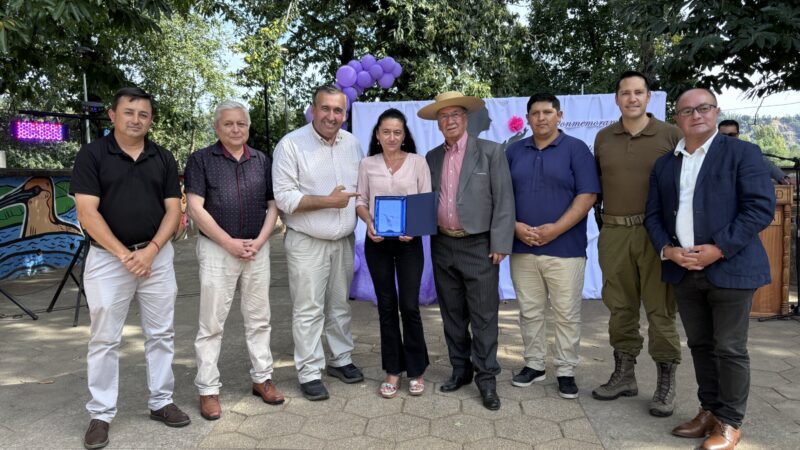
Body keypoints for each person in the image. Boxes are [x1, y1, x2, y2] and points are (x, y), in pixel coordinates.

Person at [645, 88, 775, 450]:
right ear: (677, 119)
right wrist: (667, 250)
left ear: (716, 112)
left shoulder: (742, 153)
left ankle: (731, 422)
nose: (696, 115)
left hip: (730, 267)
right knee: (701, 345)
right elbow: (653, 216)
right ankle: (709, 411)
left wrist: (718, 249)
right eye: (687, 111)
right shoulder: (666, 163)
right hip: (683, 269)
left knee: (730, 347)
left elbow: (759, 208)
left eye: (703, 108)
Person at [71, 87, 188, 450]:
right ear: (113, 115)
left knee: (161, 333)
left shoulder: (162, 156)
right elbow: (87, 213)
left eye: (143, 114)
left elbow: (173, 210)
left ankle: (160, 401)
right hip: (109, 260)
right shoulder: (92, 155)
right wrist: (125, 255)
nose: (136, 119)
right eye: (129, 112)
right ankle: (101, 414)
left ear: (151, 119)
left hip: (156, 257)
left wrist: (151, 250)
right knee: (105, 338)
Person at [184, 100, 284, 421]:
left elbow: (273, 205)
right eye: (228, 124)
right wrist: (228, 243)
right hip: (217, 250)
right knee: (212, 323)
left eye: (241, 123)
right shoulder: (200, 160)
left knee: (259, 318)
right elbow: (195, 208)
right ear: (217, 127)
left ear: (248, 127)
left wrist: (260, 240)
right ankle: (209, 389)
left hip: (257, 248)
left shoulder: (262, 160)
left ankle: (262, 378)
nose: (235, 129)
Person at [592, 71, 684, 417]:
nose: (632, 98)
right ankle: (625, 375)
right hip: (614, 232)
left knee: (660, 310)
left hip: (655, 234)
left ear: (648, 97)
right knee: (620, 307)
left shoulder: (670, 135)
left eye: (638, 92)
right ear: (616, 99)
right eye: (625, 93)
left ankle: (665, 382)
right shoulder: (603, 138)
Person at [417, 91, 515, 411]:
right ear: (438, 123)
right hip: (443, 244)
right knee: (452, 316)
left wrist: (500, 243)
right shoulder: (431, 158)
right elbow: (424, 200)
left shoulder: (490, 152)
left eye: (456, 114)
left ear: (466, 118)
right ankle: (460, 370)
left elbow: (504, 200)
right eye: (444, 116)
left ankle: (486, 380)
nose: (450, 120)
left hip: (479, 244)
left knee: (484, 316)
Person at [272, 85, 364, 401]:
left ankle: (341, 359)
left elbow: (362, 190)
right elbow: (284, 198)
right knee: (309, 309)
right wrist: (328, 201)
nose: (331, 116)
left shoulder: (352, 144)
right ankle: (310, 371)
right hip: (306, 242)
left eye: (338, 110)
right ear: (313, 109)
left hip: (343, 241)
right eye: (325, 108)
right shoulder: (290, 145)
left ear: (345, 114)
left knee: (339, 305)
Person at [506, 93, 600, 399]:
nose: (541, 118)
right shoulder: (514, 151)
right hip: (523, 247)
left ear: (559, 115)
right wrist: (515, 227)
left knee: (566, 313)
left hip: (566, 248)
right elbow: (501, 196)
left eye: (548, 112)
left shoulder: (576, 150)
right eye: (535, 113)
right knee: (529, 311)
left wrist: (555, 230)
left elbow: (587, 196)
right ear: (528, 117)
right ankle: (534, 365)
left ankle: (565, 370)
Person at [355, 108, 432, 398]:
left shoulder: (418, 163)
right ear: (377, 135)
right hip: (377, 243)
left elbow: (425, 203)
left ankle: (416, 370)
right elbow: (361, 200)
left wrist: (415, 227)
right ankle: (392, 370)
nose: (391, 137)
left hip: (409, 242)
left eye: (397, 132)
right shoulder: (367, 164)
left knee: (409, 306)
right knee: (386, 307)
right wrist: (368, 221)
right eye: (386, 131)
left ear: (404, 135)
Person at [718, 119, 790, 185]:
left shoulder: (748, 151)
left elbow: (767, 164)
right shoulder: (710, 152)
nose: (728, 138)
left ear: (737, 135)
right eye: (724, 135)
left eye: (731, 135)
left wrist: (784, 179)